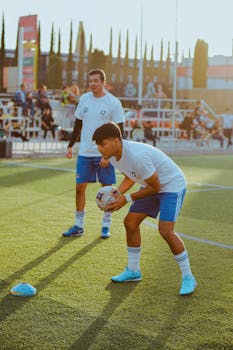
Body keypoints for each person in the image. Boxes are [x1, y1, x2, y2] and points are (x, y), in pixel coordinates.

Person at [92, 122, 197, 296]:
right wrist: (117, 193)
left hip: (171, 185)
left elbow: (156, 187)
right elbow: (130, 175)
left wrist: (126, 199)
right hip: (151, 184)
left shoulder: (137, 156)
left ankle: (188, 277)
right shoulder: (112, 156)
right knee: (130, 222)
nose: (99, 149)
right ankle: (133, 271)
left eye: (102, 144)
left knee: (166, 231)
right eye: (98, 145)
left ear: (117, 141)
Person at [63, 68, 125, 239]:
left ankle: (106, 225)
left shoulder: (113, 103)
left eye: (96, 81)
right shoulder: (84, 99)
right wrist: (70, 145)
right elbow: (78, 124)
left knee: (107, 190)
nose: (92, 84)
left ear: (103, 82)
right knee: (79, 188)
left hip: (105, 154)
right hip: (84, 153)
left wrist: (109, 156)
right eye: (90, 81)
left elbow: (120, 132)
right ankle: (78, 225)